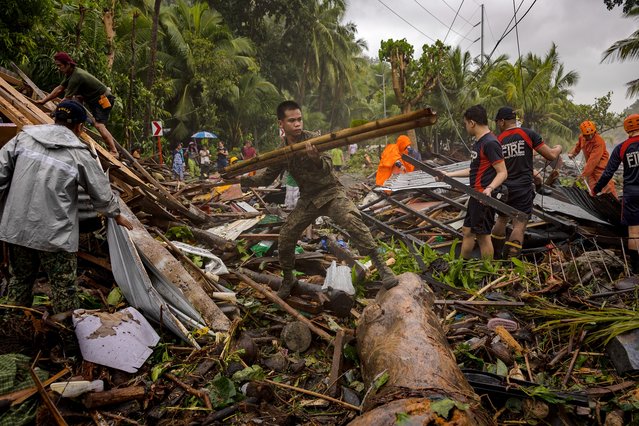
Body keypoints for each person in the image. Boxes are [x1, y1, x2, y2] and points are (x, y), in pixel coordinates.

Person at [236, 100, 398, 298]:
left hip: (331, 193)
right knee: (286, 235)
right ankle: (289, 278)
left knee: (351, 220)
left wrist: (316, 158)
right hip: (308, 199)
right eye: (292, 120)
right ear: (281, 124)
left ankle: (382, 267)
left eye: (299, 119)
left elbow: (329, 166)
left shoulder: (315, 140)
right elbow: (266, 178)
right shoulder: (281, 152)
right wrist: (241, 179)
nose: (297, 124)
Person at [0, 100, 133, 314]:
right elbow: (99, 189)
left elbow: (0, 173)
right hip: (54, 234)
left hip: (16, 228)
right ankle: (69, 341)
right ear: (80, 127)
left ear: (55, 118)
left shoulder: (23, 138)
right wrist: (115, 214)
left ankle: (12, 334)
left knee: (20, 281)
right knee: (64, 289)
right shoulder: (78, 152)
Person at [491, 107, 562, 259]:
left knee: (502, 219)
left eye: (498, 122)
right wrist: (558, 148)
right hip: (522, 188)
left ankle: (495, 257)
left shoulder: (497, 140)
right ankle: (511, 263)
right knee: (519, 223)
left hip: (503, 188)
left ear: (502, 121)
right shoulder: (528, 134)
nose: (498, 125)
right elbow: (550, 155)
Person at [443, 105, 507, 259]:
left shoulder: (490, 143)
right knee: (467, 231)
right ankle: (461, 264)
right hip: (475, 195)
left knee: (483, 236)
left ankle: (488, 271)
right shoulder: (478, 143)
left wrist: (490, 188)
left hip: (484, 196)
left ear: (472, 123)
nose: (466, 127)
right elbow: (474, 170)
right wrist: (449, 174)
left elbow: (503, 172)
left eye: (465, 123)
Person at [36, 52, 119, 158]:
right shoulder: (71, 74)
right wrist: (44, 101)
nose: (58, 68)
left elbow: (66, 99)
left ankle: (113, 151)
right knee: (77, 99)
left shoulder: (76, 76)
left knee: (98, 125)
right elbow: (59, 89)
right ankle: (78, 127)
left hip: (103, 99)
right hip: (93, 99)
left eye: (60, 65)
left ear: (68, 64)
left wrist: (55, 113)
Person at [593, 114, 639, 272]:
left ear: (627, 129)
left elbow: (607, 173)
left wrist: (596, 189)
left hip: (631, 193)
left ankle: (635, 270)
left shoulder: (622, 147)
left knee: (634, 231)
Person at [568, 120, 617, 197]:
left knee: (607, 187)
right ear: (583, 134)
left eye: (591, 134)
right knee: (592, 188)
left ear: (594, 131)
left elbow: (593, 161)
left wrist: (583, 175)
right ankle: (596, 203)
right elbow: (578, 147)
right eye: (587, 135)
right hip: (589, 168)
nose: (590, 137)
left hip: (600, 167)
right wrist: (572, 153)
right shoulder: (582, 138)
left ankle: (614, 203)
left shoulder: (599, 142)